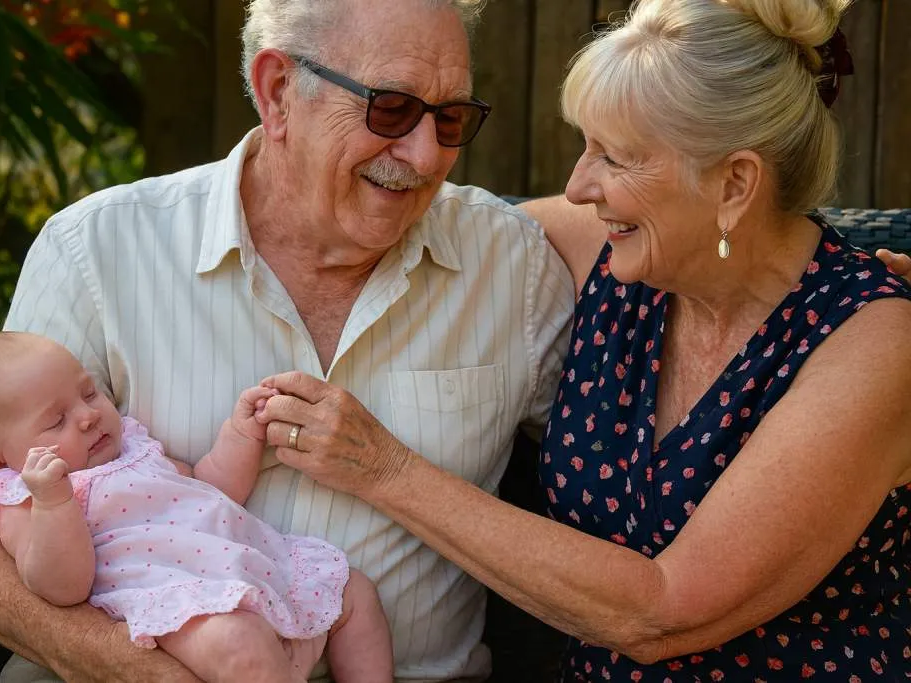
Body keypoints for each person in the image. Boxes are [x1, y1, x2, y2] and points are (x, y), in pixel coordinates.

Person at [0, 0, 576, 681]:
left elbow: (618, 532)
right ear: (278, 91)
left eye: (451, 117)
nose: (428, 155)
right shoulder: (98, 251)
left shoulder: (513, 270)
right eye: (392, 109)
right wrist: (137, 668)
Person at [253, 0, 911, 681]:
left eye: (616, 158)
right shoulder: (607, 248)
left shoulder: (873, 342)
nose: (577, 185)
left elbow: (665, 611)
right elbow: (421, 213)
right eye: (584, 146)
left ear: (735, 183)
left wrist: (386, 469)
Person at [0, 331, 393, 683]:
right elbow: (62, 586)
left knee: (354, 590)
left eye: (89, 393)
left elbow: (209, 487)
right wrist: (55, 504)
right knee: (239, 646)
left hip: (261, 571)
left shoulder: (132, 446)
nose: (88, 414)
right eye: (56, 420)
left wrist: (239, 436)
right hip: (184, 604)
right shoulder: (22, 497)